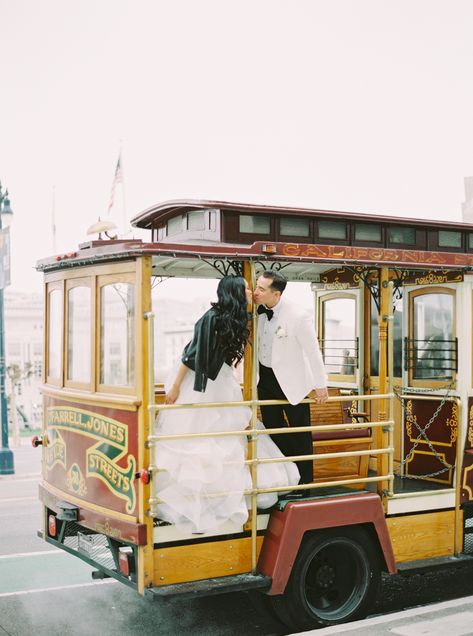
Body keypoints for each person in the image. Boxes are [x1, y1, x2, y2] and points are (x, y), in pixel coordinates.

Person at [154, 275, 300, 534]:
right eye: (245, 287)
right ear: (234, 291)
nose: (250, 291)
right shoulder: (211, 317)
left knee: (226, 437)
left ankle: (224, 497)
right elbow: (191, 354)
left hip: (219, 380)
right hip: (200, 381)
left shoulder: (234, 317)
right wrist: (176, 386)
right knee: (205, 439)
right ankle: (206, 502)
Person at [253, 270, 328, 488]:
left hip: (292, 382)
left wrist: (320, 385)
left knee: (300, 432)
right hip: (264, 378)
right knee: (272, 428)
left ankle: (305, 483)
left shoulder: (298, 315)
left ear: (276, 294)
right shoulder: (257, 310)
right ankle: (287, 475)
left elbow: (313, 351)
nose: (257, 292)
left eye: (261, 289)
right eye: (257, 286)